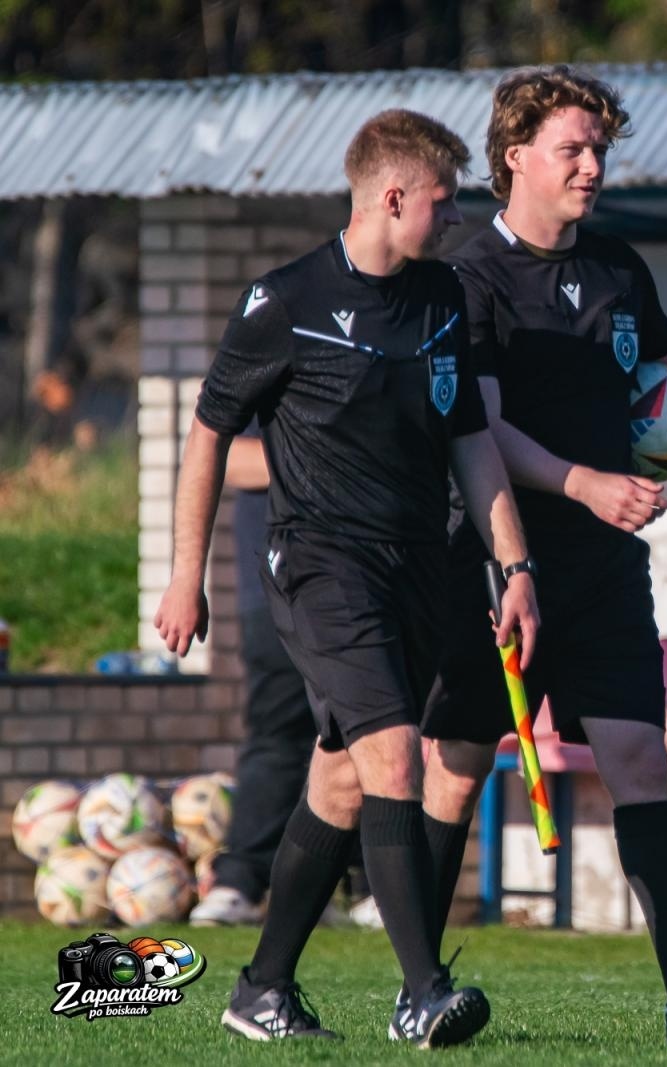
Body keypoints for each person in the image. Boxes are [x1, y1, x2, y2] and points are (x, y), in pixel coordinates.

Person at [414, 66, 667, 1046]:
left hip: (604, 565)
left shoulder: (619, 266)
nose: (592, 166)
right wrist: (585, 483)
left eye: (599, 149)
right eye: (572, 149)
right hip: (495, 563)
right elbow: (480, 427)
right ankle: (420, 983)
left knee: (637, 755)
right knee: (457, 763)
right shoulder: (468, 276)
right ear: (515, 157)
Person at [155, 109, 540, 1049]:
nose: (456, 219)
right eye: (444, 202)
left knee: (338, 784)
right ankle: (422, 992)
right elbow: (207, 434)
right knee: (394, 756)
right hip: (321, 565)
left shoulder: (442, 296)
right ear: (392, 197)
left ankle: (261, 987)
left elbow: (470, 441)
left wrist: (515, 564)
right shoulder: (285, 300)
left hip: (418, 568)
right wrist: (183, 575)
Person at [188, 429, 319, 926]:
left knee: (370, 734)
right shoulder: (262, 373)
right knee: (277, 730)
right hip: (277, 583)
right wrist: (332, 453)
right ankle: (241, 880)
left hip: (370, 581)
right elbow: (233, 458)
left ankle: (366, 887)